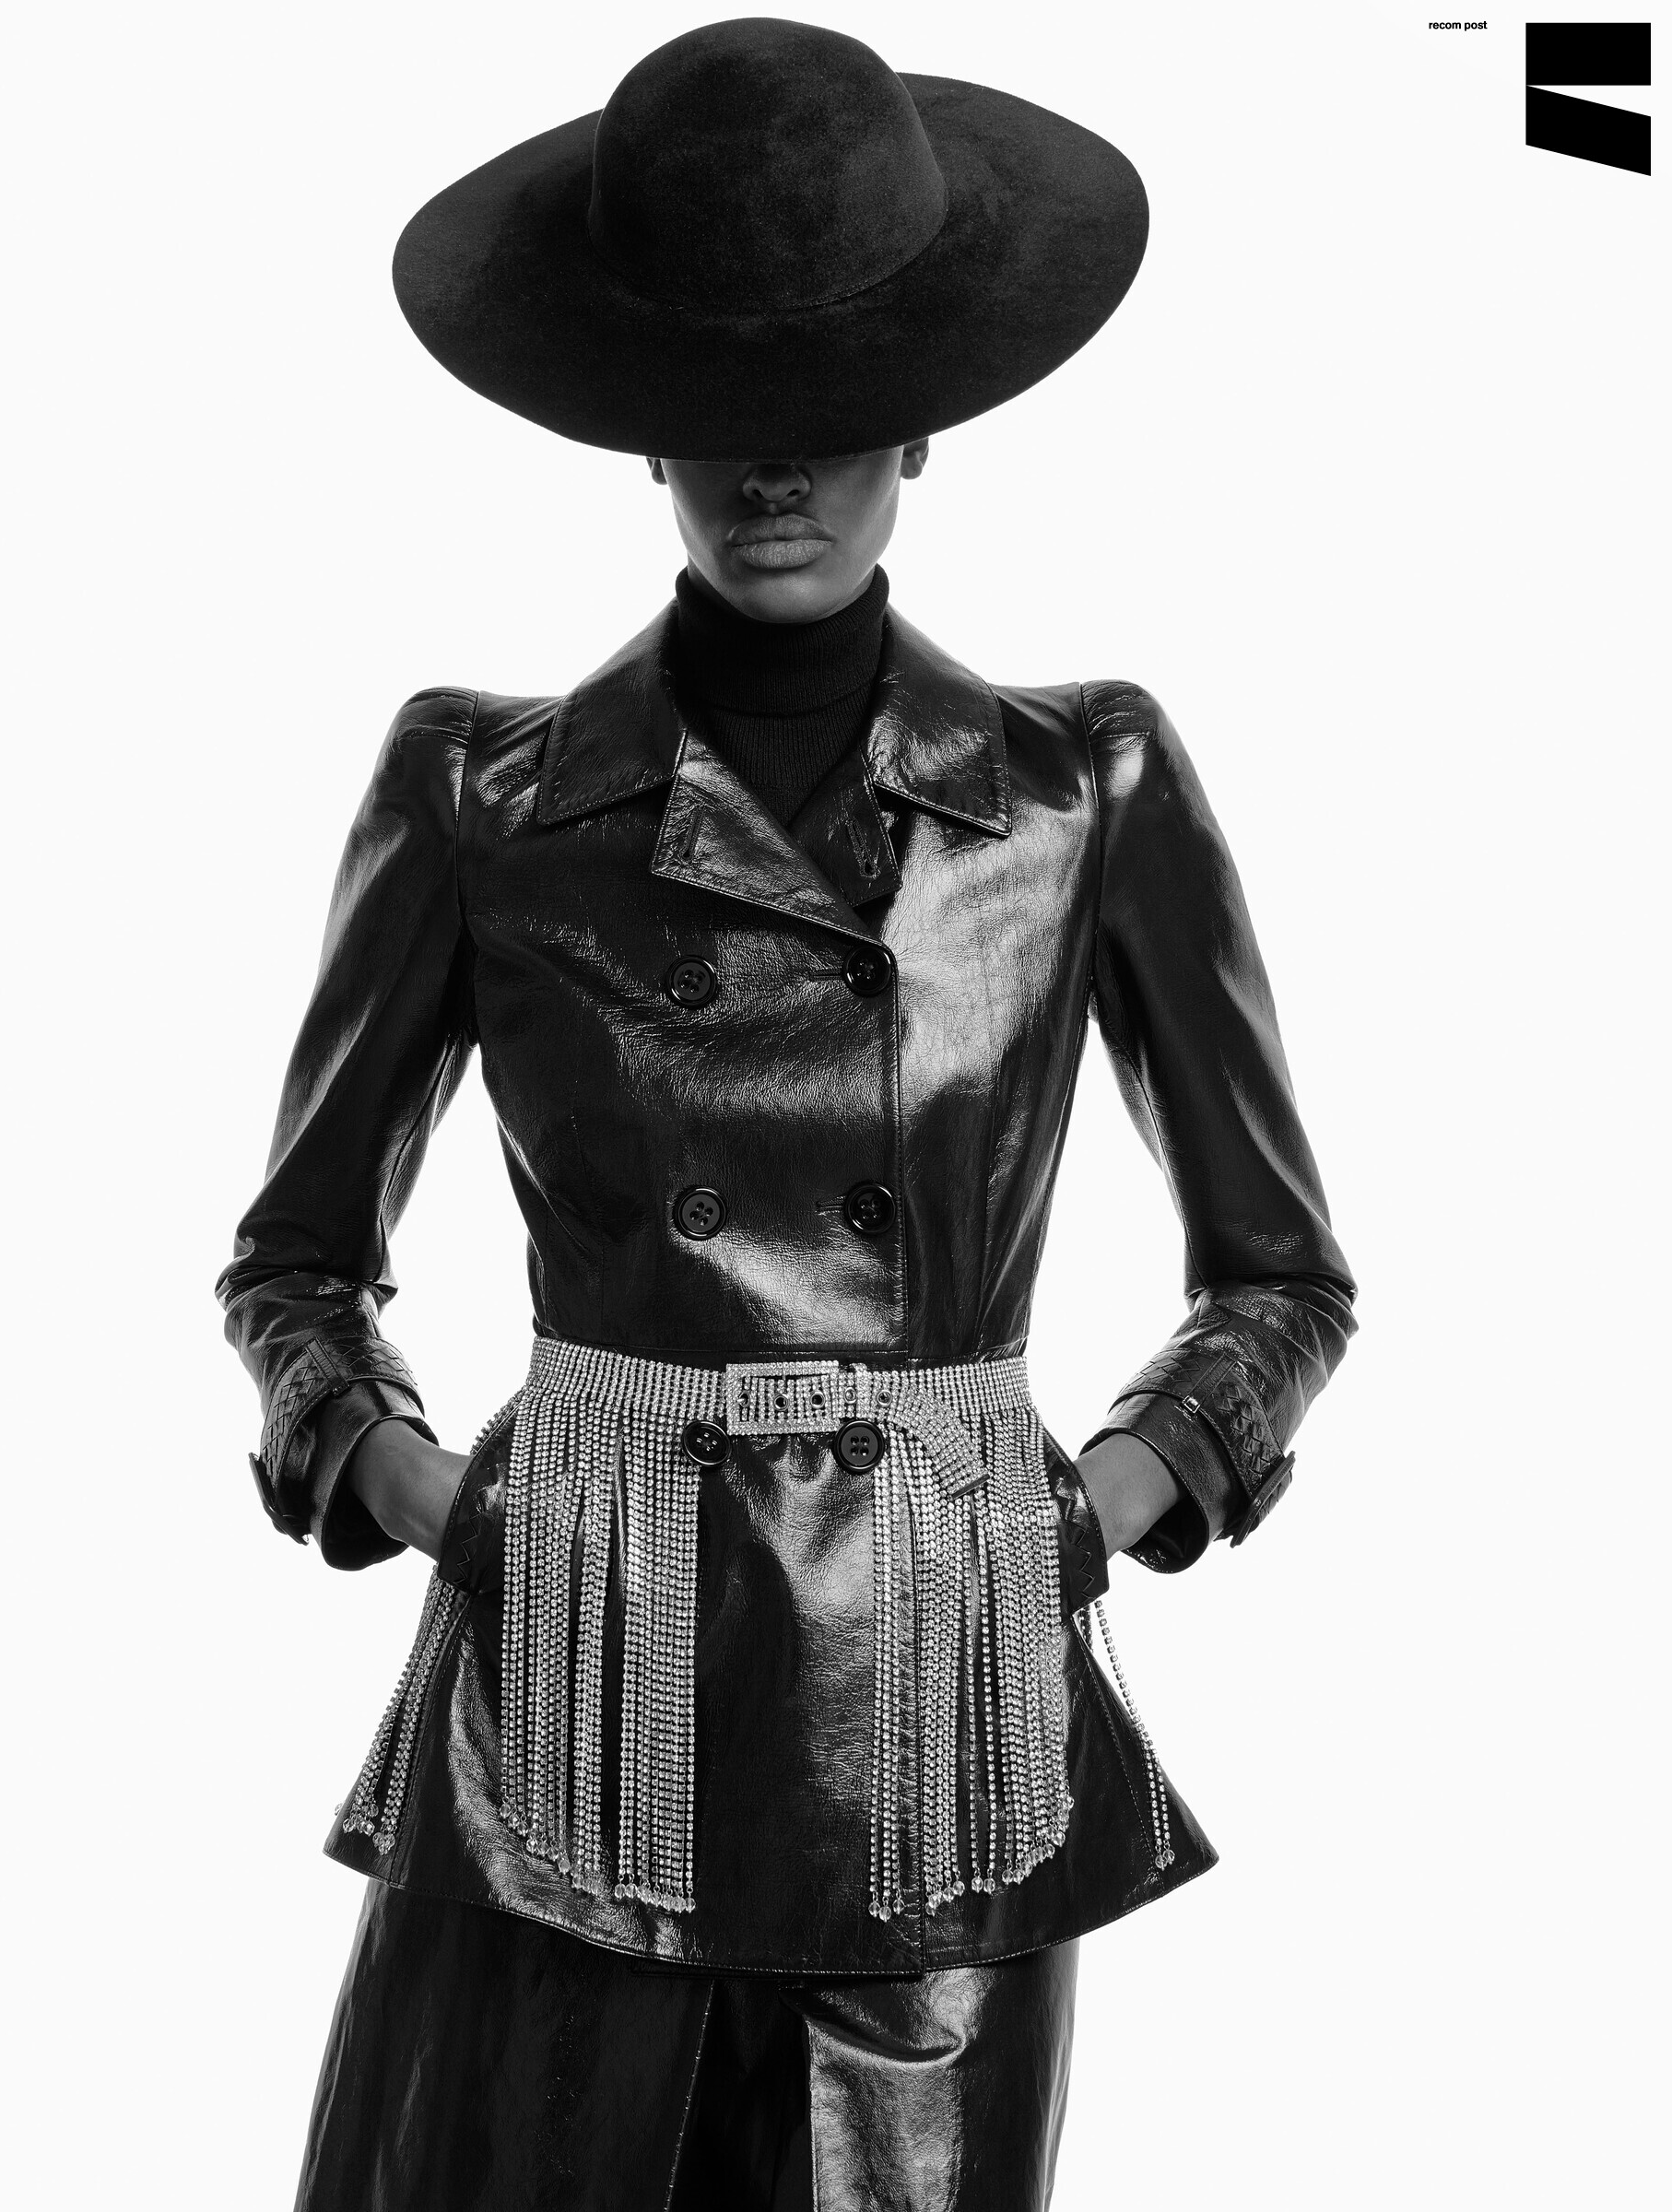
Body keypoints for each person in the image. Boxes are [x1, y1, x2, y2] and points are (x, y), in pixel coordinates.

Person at [218, 20, 1356, 2211]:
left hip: (936, 1720)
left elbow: (1281, 1279)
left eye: (830, 409)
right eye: (721, 411)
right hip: (579, 1695)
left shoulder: (1083, 790)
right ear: (635, 425)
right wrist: (437, 1497)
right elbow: (294, 1262)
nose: (776, 475)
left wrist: (1077, 1517)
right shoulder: (480, 794)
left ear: (923, 417)